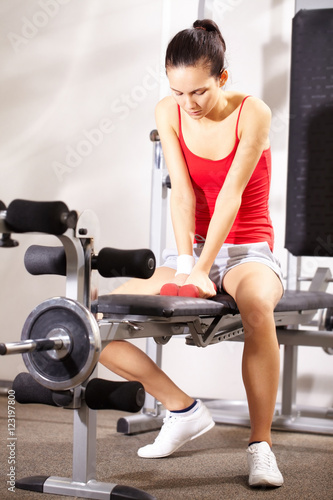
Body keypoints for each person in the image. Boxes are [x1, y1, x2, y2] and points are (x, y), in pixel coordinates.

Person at [99, 19, 284, 488]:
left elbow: (230, 198)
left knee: (258, 307)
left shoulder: (253, 113)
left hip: (247, 249)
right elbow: (180, 193)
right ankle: (182, 409)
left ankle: (260, 446)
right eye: (178, 93)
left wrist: (206, 269)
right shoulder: (169, 112)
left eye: (198, 92)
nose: (188, 104)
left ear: (222, 78)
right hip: (192, 247)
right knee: (93, 319)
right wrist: (187, 265)